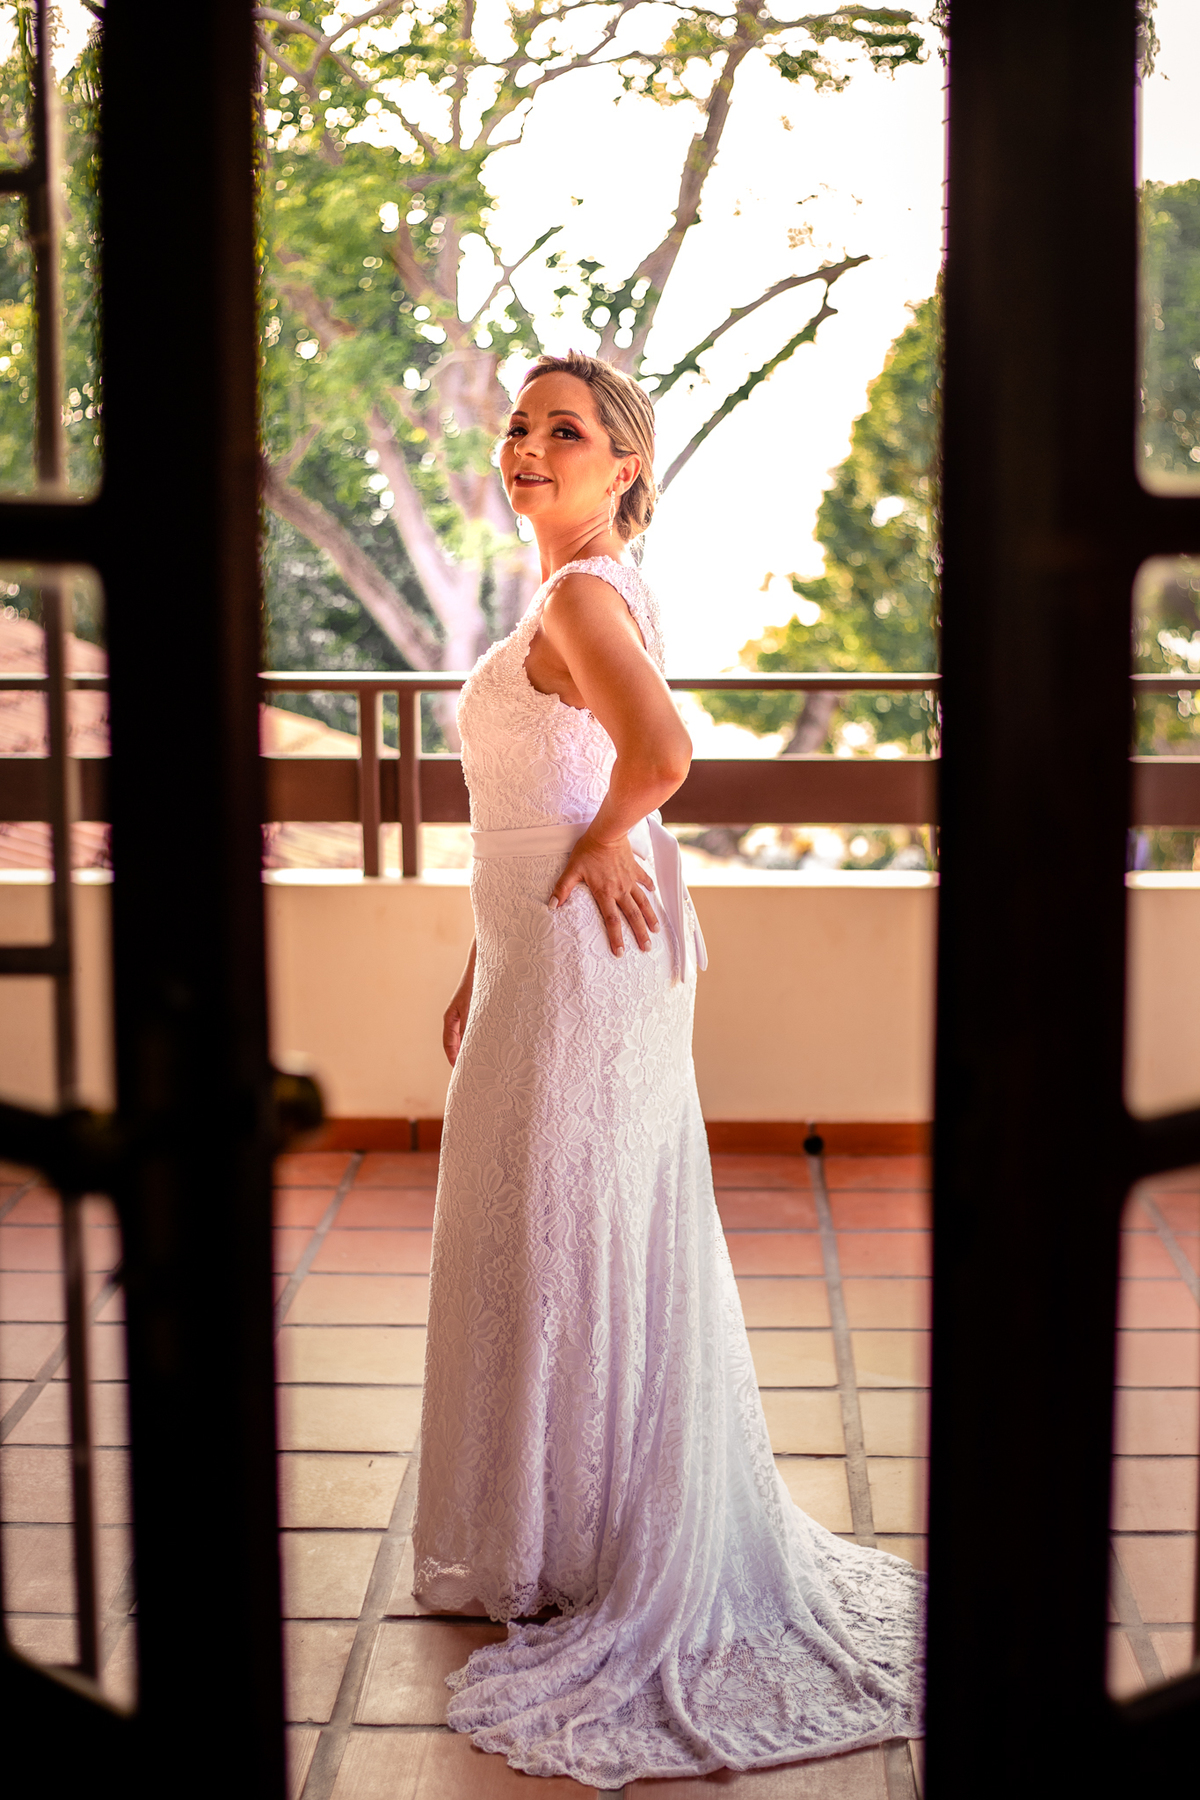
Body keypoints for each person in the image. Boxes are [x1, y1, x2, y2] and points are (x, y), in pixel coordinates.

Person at [411, 350, 923, 1786]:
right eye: (519, 426)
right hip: (549, 952)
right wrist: (486, 948)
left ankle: (573, 1538)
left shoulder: (581, 594)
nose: (527, 446)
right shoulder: (579, 591)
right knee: (567, 1224)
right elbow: (560, 786)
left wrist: (597, 847)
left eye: (563, 431)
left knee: (559, 1229)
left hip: (584, 955)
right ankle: (571, 1525)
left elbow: (660, 754)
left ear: (624, 466)